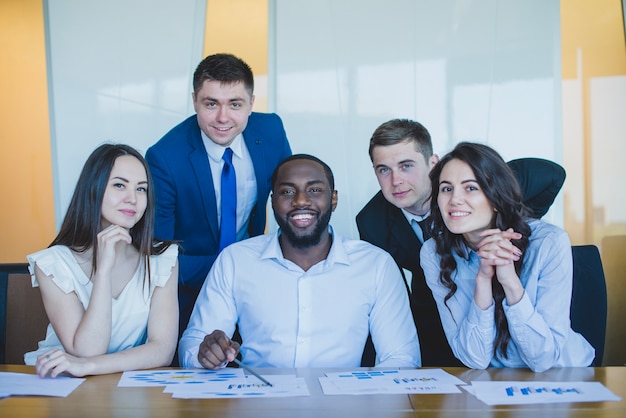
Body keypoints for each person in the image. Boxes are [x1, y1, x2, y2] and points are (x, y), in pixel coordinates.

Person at [179, 154, 420, 369]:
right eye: (287, 191)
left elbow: (402, 359)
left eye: (314, 190)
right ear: (272, 202)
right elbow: (193, 344)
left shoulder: (376, 265)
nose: (301, 201)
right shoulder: (236, 260)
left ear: (334, 199)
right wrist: (205, 354)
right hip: (258, 406)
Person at [145, 53, 292, 341]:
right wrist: (237, 270)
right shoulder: (164, 158)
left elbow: (290, 196)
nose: (223, 118)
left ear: (251, 103)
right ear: (194, 101)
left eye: (235, 104)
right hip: (191, 289)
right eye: (211, 104)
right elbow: (158, 254)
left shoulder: (271, 129)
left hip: (257, 285)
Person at [421, 141, 595, 372]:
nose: (455, 200)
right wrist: (483, 280)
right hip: (495, 382)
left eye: (471, 188)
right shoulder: (434, 253)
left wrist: (510, 283)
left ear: (495, 197)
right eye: (446, 188)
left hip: (566, 375)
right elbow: (474, 359)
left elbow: (543, 360)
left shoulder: (549, 242)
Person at [24, 144, 179, 378]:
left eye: (141, 189)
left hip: (122, 382)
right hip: (60, 380)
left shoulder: (162, 258)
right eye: (119, 185)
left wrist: (90, 367)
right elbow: (87, 350)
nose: (132, 199)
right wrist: (103, 270)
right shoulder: (53, 263)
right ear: (93, 189)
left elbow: (162, 351)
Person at [356, 119, 460, 366]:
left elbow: (549, 175)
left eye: (406, 166)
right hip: (423, 322)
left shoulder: (465, 196)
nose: (395, 181)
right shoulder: (372, 220)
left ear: (433, 164)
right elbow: (393, 301)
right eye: (384, 170)